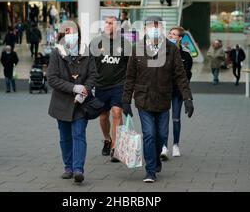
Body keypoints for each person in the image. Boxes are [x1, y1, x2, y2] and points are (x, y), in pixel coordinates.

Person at [122, 16, 194, 183]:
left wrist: (187, 98)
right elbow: (130, 76)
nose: (154, 29)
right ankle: (150, 170)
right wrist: (125, 100)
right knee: (149, 134)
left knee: (161, 135)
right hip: (143, 99)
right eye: (150, 26)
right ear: (145, 29)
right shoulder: (137, 48)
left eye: (157, 26)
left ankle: (154, 160)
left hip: (163, 99)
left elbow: (180, 76)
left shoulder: (171, 49)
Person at [47, 20, 97, 184]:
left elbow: (93, 75)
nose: (70, 35)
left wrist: (85, 89)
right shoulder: (57, 53)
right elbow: (52, 78)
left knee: (78, 134)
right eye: (66, 32)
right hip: (62, 102)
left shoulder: (86, 51)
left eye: (73, 32)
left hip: (81, 104)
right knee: (65, 137)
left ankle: (78, 169)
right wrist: (74, 88)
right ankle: (68, 166)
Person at [90, 16, 131, 162]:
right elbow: (89, 64)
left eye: (111, 23)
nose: (108, 25)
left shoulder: (125, 44)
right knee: (102, 116)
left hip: (118, 85)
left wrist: (129, 86)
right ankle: (107, 139)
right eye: (106, 23)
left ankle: (115, 146)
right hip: (100, 85)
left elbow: (130, 67)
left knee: (117, 112)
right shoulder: (96, 42)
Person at [160, 26, 193, 159]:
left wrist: (187, 96)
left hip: (177, 92)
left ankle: (175, 145)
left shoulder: (186, 53)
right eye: (170, 33)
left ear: (180, 38)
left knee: (176, 118)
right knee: (163, 119)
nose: (171, 36)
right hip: (164, 90)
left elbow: (187, 75)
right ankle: (163, 146)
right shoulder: (162, 50)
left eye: (174, 35)